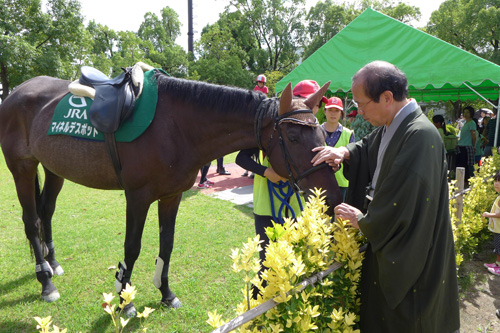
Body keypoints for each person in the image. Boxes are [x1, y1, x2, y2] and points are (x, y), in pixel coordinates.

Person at [311, 61, 460, 332]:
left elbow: (405, 200)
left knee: (406, 317)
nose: (359, 113)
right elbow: (370, 144)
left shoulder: (420, 135)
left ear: (387, 97)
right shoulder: (397, 124)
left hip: (415, 252)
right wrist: (345, 152)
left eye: (363, 104)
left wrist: (366, 221)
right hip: (391, 235)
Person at [236, 79, 326, 298]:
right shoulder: (269, 129)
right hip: (266, 204)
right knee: (267, 258)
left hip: (295, 205)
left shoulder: (313, 130)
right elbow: (241, 158)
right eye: (306, 100)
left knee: (293, 257)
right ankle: (262, 308)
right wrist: (268, 173)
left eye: (315, 103)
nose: (311, 107)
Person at [322, 97, 355, 201]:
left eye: (336, 111)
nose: (333, 114)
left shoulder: (349, 134)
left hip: (342, 184)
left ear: (341, 113)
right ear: (325, 111)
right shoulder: (316, 132)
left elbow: (352, 160)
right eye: (330, 110)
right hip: (320, 182)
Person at [482, 171, 500, 276]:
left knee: (499, 249)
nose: (496, 184)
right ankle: (497, 264)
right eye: (495, 181)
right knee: (498, 248)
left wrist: (489, 215)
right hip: (498, 229)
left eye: (499, 181)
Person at [456, 106, 477, 186]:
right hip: (461, 146)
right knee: (461, 165)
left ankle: (467, 183)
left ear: (471, 113)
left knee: (466, 166)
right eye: (464, 112)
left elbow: (473, 136)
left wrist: (473, 146)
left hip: (467, 147)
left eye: (467, 112)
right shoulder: (465, 123)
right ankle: (462, 182)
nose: (465, 114)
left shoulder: (471, 123)